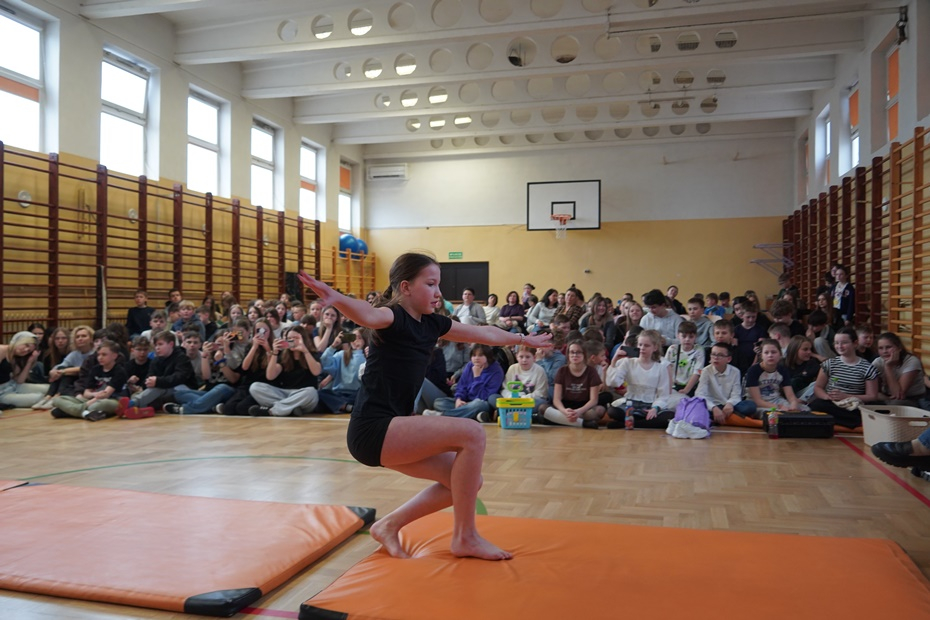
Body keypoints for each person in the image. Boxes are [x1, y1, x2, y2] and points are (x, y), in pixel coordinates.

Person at [298, 253, 551, 561]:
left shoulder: (433, 324)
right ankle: (465, 537)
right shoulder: (392, 317)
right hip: (373, 429)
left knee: (467, 481)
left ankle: (389, 525)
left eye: (438, 285)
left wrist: (524, 339)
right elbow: (367, 314)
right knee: (473, 433)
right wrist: (336, 298)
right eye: (430, 284)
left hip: (394, 428)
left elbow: (485, 333)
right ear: (405, 287)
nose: (438, 292)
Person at [808, 327, 879, 429]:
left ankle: (837, 420)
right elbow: (818, 387)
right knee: (816, 405)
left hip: (853, 405)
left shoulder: (867, 367)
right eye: (836, 343)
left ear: (855, 343)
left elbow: (872, 396)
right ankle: (846, 421)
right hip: (832, 404)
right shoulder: (829, 364)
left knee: (872, 408)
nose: (839, 346)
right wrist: (827, 397)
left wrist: (846, 396)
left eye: (844, 343)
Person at [604, 329, 673, 429]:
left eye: (646, 345)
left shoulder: (661, 367)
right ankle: (638, 422)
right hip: (630, 404)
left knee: (668, 416)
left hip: (650, 404)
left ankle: (628, 423)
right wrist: (614, 361)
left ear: (655, 347)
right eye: (640, 345)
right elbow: (613, 383)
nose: (642, 348)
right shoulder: (628, 362)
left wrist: (655, 408)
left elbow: (663, 394)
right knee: (613, 411)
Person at [248, 325, 323, 417]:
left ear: (303, 339)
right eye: (289, 338)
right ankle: (290, 408)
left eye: (295, 338)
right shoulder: (283, 355)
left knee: (311, 392)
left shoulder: (312, 353)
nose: (291, 340)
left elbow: (316, 372)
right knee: (255, 387)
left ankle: (272, 411)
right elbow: (270, 376)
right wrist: (274, 353)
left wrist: (305, 351)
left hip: (303, 394)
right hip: (284, 393)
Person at [50, 340, 128, 421]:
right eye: (98, 354)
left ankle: (73, 411)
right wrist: (93, 395)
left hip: (112, 400)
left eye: (104, 355)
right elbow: (86, 394)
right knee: (57, 400)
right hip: (92, 399)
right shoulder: (95, 369)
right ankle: (85, 413)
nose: (100, 357)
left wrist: (87, 403)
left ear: (114, 356)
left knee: (95, 406)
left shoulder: (119, 371)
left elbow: (105, 394)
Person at [425, 343, 504, 422]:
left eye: (480, 355)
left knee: (478, 404)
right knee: (438, 403)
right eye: (474, 355)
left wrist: (477, 377)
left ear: (488, 357)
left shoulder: (496, 371)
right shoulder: (470, 365)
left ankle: (442, 415)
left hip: (482, 402)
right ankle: (473, 415)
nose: (476, 358)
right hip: (466, 402)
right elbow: (461, 386)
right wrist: (459, 399)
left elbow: (484, 396)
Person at [542, 339, 604, 429]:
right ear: (568, 354)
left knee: (599, 410)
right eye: (572, 352)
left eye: (578, 352)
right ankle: (583, 423)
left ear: (584, 354)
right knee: (543, 408)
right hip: (566, 406)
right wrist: (564, 411)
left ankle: (561, 421)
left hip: (584, 408)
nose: (575, 355)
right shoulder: (562, 371)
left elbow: (594, 400)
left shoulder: (591, 371)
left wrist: (579, 411)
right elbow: (556, 399)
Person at [695, 342, 755, 425]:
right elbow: (700, 394)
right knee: (697, 407)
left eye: (720, 355)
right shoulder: (706, 371)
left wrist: (730, 404)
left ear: (729, 359)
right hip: (712, 405)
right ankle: (730, 418)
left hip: (729, 405)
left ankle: (718, 418)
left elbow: (736, 394)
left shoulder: (735, 371)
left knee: (750, 406)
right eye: (713, 354)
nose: (716, 358)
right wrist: (713, 407)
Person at [742, 339, 804, 414]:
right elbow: (757, 401)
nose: (770, 355)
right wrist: (778, 407)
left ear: (780, 354)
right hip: (759, 404)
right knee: (774, 414)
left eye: (773, 352)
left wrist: (794, 405)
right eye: (766, 352)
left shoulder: (783, 370)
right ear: (761, 355)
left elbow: (790, 396)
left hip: (777, 400)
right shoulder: (753, 370)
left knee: (804, 409)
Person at [318, 327, 367, 413]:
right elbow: (324, 362)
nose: (355, 340)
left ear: (365, 340)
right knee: (320, 393)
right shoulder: (341, 354)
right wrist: (333, 346)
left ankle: (341, 405)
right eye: (353, 337)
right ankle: (346, 406)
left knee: (366, 395)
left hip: (357, 393)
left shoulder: (367, 356)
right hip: (339, 393)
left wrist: (361, 351)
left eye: (359, 338)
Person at [872, 332, 928, 407]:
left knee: (895, 404)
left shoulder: (911, 361)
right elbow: (871, 389)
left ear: (899, 348)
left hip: (913, 399)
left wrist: (888, 367)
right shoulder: (878, 362)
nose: (884, 351)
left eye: (888, 347)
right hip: (888, 397)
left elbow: (898, 395)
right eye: (880, 348)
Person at [0, 332, 47, 409]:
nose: (25, 350)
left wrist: (29, 362)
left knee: (48, 389)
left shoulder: (15, 357)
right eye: (26, 345)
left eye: (29, 351)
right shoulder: (1, 350)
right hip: (2, 393)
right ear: (18, 341)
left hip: (11, 385)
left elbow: (19, 380)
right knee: (37, 398)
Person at [664, 321, 705, 408]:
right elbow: (666, 369)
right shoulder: (672, 349)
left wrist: (686, 389)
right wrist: (668, 387)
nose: (687, 339)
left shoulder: (699, 350)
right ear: (678, 336)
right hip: (673, 386)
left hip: (690, 387)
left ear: (695, 337)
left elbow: (697, 372)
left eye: (691, 337)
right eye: (684, 336)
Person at [501, 345, 549, 414]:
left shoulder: (540, 370)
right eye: (521, 357)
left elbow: (541, 393)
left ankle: (511, 411)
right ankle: (519, 412)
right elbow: (505, 388)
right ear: (516, 357)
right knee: (493, 398)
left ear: (534, 357)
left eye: (528, 357)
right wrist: (511, 396)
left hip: (529, 401)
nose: (524, 360)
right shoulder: (512, 368)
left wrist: (523, 398)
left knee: (542, 403)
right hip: (512, 400)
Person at [784, 335, 821, 401]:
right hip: (787, 395)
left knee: (817, 384)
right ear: (795, 350)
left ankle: (801, 402)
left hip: (805, 395)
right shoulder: (782, 364)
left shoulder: (811, 363)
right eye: (805, 349)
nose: (809, 352)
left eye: (810, 349)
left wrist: (818, 357)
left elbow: (825, 377)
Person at [831, 264, 855, 328]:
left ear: (846, 276)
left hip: (843, 313)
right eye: (837, 274)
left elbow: (851, 304)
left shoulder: (849, 288)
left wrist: (848, 318)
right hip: (834, 312)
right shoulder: (833, 287)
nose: (838, 276)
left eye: (841, 274)